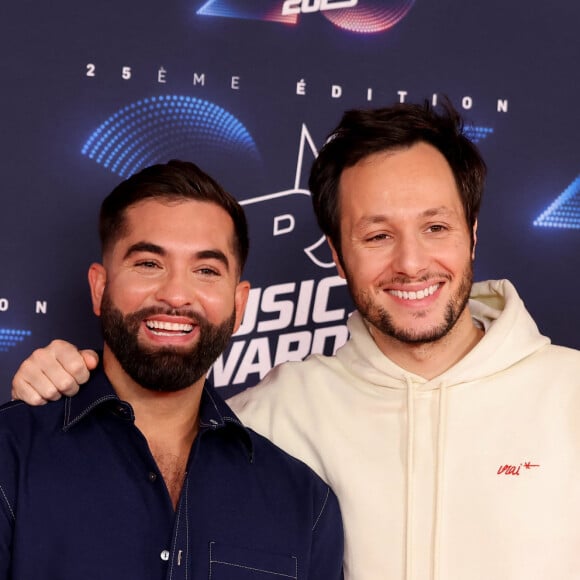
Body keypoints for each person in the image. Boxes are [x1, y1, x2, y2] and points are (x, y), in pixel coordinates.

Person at [12, 101, 580, 579]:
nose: (411, 263)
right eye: (377, 235)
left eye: (435, 227)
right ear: (336, 255)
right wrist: (54, 388)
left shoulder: (570, 394)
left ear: (473, 232)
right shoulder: (270, 417)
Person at [0, 160, 344, 579]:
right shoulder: (11, 456)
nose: (177, 294)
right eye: (149, 264)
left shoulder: (304, 503)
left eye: (206, 271)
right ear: (100, 286)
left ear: (240, 306)